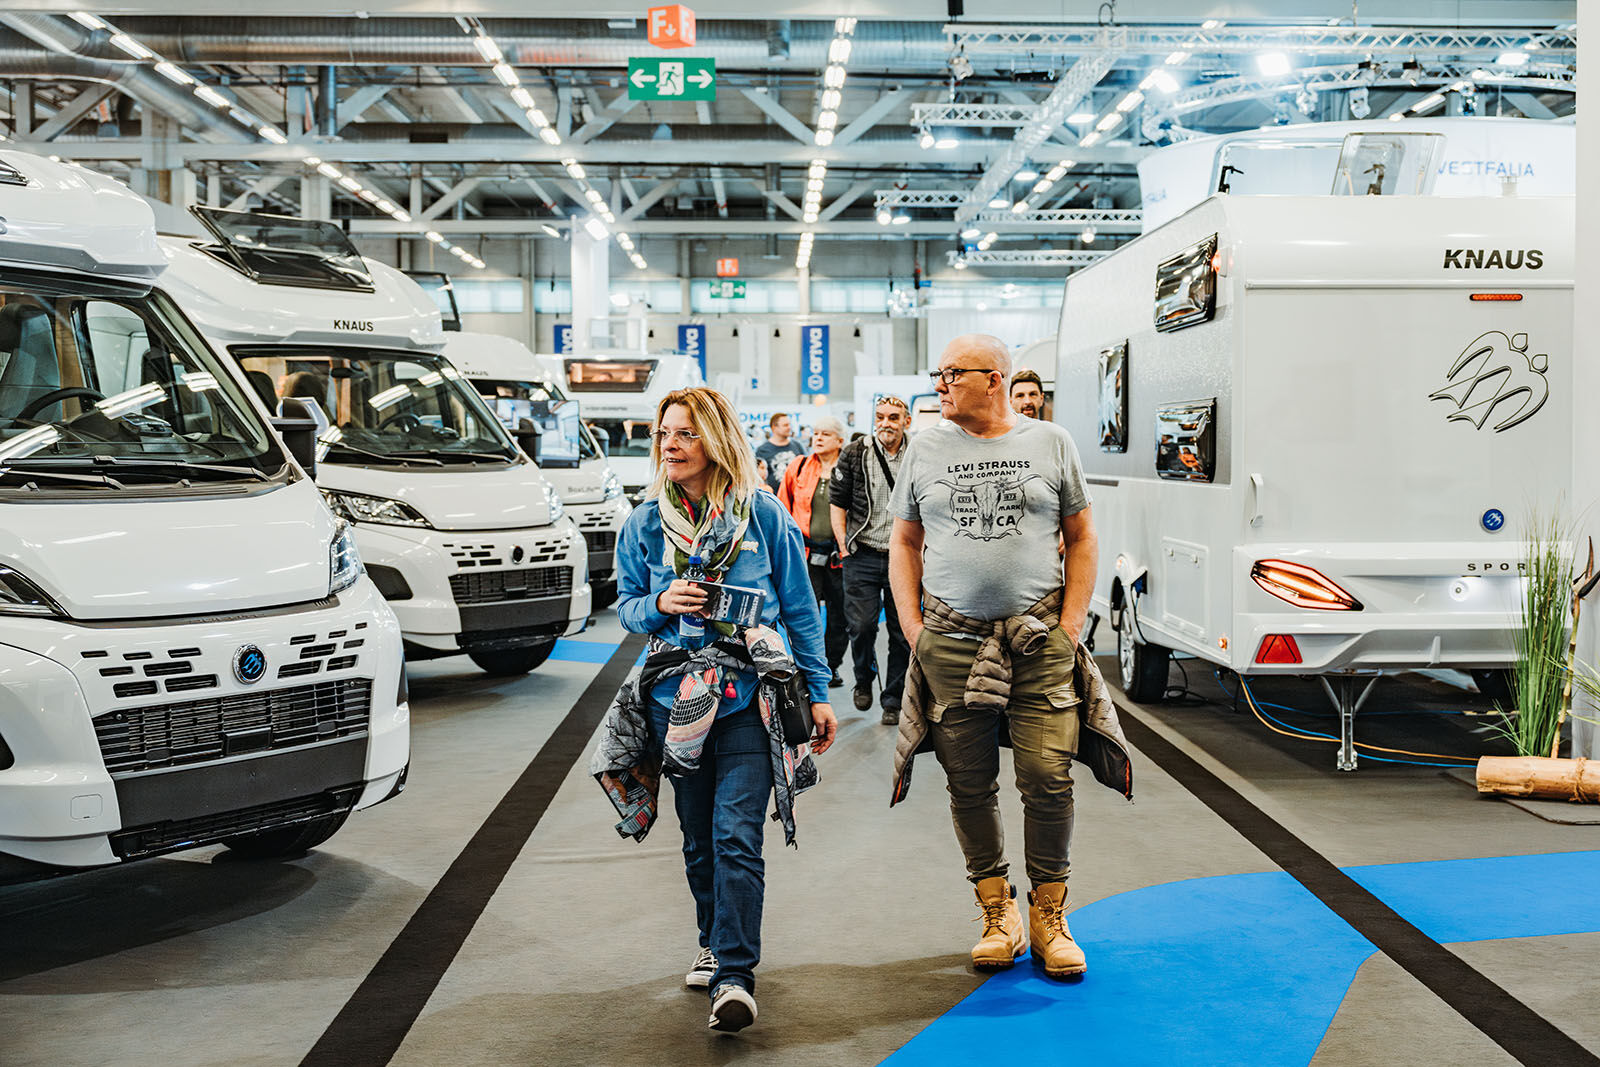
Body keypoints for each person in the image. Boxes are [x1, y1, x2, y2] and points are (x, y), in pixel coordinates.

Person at [597, 386, 838, 1034]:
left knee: (737, 835)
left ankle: (734, 974)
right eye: (664, 434)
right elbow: (625, 604)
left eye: (685, 434)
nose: (670, 445)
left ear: (715, 439)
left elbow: (798, 607)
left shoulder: (762, 515)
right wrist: (659, 605)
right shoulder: (645, 524)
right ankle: (710, 936)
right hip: (675, 704)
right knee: (699, 839)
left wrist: (818, 691)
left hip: (749, 701)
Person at [888, 333, 1128, 981]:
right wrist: (912, 626)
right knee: (967, 780)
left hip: (1040, 642)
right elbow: (904, 541)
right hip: (950, 641)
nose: (939, 385)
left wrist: (1073, 623)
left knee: (1048, 775)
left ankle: (1050, 915)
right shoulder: (926, 445)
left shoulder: (1052, 444)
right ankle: (998, 910)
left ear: (993, 379)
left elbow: (1081, 535)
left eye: (950, 374)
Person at [829, 395, 912, 724]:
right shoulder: (855, 452)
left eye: (894, 417)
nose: (886, 423)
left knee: (902, 632)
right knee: (861, 627)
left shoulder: (917, 452)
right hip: (862, 553)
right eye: (880, 416)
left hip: (903, 557)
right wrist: (843, 544)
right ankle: (863, 679)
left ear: (906, 421)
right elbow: (838, 502)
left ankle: (893, 698)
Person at [777, 416, 848, 688]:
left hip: (839, 556)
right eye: (815, 433)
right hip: (804, 553)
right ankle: (807, 664)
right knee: (803, 613)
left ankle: (832, 665)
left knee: (840, 615)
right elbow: (783, 508)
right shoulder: (799, 466)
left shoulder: (850, 469)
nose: (817, 438)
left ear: (839, 441)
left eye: (825, 434)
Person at [754, 413, 804, 494]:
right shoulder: (762, 450)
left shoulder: (797, 446)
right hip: (775, 499)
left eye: (789, 424)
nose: (789, 428)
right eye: (785, 425)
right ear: (774, 427)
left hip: (796, 497)